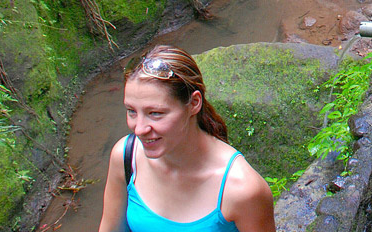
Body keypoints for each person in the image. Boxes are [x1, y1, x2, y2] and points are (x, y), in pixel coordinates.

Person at [98, 44, 276, 232]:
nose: (140, 129)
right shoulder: (126, 158)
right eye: (132, 111)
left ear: (194, 103)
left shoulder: (243, 190)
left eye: (156, 113)